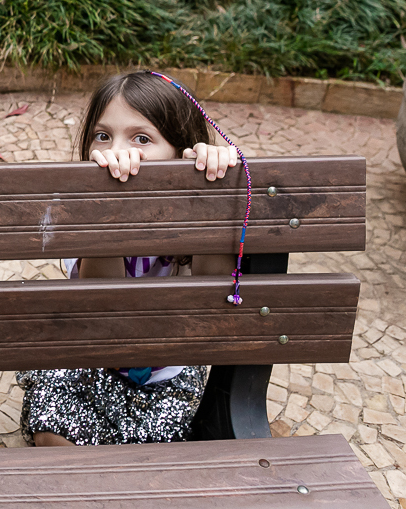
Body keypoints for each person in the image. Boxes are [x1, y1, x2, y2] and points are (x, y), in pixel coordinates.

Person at [18, 70, 241, 447]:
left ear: (180, 149)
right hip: (89, 358)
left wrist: (210, 189)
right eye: (103, 136)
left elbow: (213, 292)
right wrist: (105, 208)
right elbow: (98, 302)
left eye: (141, 138)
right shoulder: (82, 206)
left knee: (155, 453)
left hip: (165, 375)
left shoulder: (193, 209)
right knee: (52, 433)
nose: (115, 150)